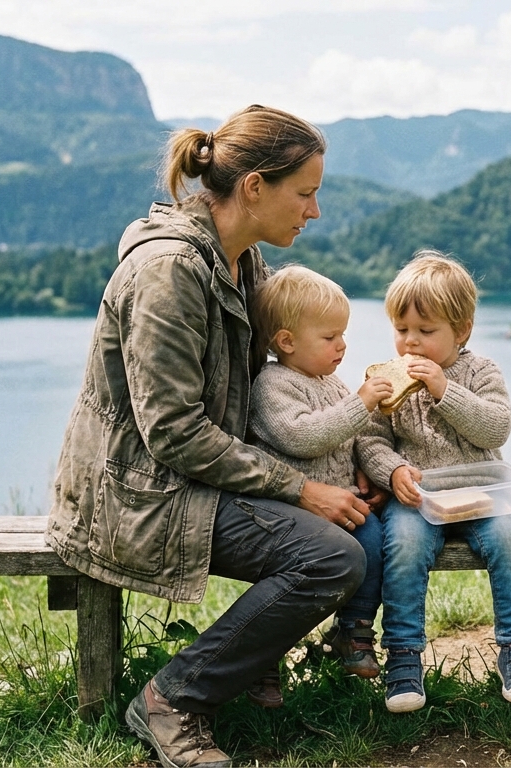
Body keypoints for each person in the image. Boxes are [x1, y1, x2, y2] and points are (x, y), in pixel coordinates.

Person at [47, 105, 378, 768]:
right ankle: (174, 700)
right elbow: (172, 433)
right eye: (305, 193)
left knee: (345, 529)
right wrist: (300, 487)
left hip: (191, 481)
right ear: (254, 187)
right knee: (331, 558)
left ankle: (246, 667)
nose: (314, 211)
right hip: (139, 494)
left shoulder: (239, 258)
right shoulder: (170, 273)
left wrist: (342, 461)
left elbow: (277, 382)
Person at [356, 252, 511, 714]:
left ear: (462, 331)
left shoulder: (481, 373)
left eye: (426, 331)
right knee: (401, 545)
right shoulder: (387, 381)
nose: (411, 344)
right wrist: (394, 472)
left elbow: (495, 428)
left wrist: (444, 389)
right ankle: (403, 657)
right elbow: (369, 443)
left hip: (481, 492)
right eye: (402, 330)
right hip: (418, 499)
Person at [248, 265, 394, 683]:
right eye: (330, 338)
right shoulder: (273, 385)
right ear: (287, 341)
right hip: (292, 511)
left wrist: (370, 472)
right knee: (283, 580)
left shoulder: (330, 383)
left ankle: (355, 630)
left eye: (343, 335)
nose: (342, 346)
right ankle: (263, 656)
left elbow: (354, 437)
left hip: (342, 504)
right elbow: (303, 436)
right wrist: (361, 402)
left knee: (374, 543)